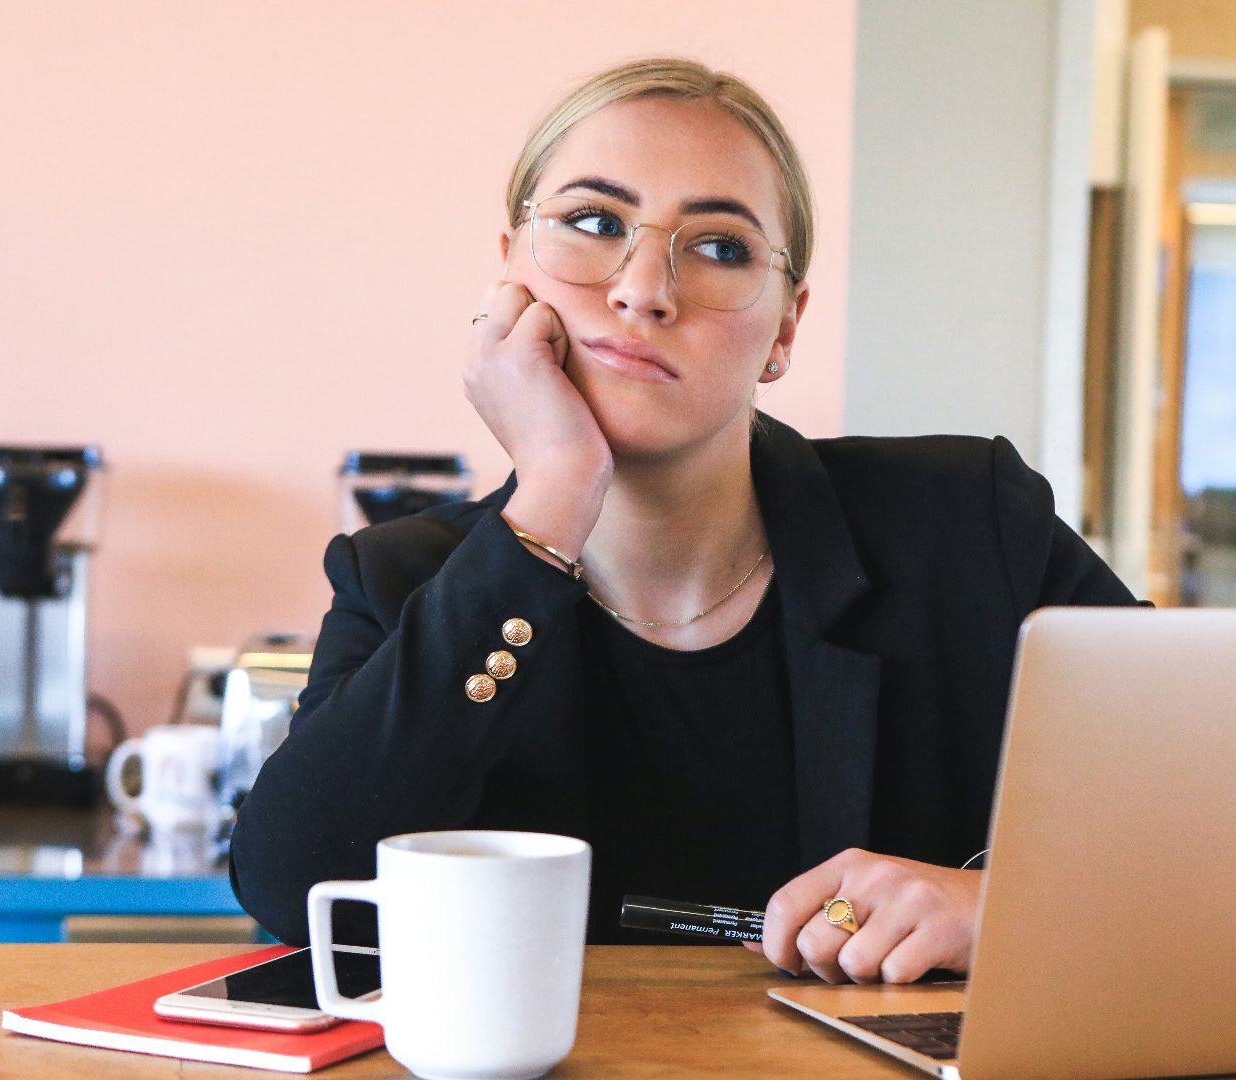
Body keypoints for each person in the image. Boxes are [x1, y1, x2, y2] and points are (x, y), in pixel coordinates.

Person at [229, 56, 1139, 986]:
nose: (642, 289)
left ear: (785, 328)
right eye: (593, 223)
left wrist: (1006, 907)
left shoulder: (968, 523)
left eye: (719, 247)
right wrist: (551, 495)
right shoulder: (402, 578)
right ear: (507, 270)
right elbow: (296, 889)